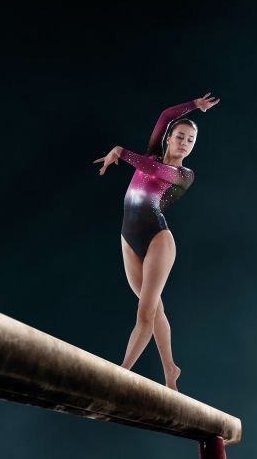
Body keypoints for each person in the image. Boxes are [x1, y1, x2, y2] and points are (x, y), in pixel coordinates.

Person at [93, 92, 220, 391]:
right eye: (180, 135)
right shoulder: (151, 154)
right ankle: (170, 370)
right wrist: (194, 106)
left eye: (191, 139)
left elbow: (151, 170)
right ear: (168, 138)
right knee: (154, 308)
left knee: (146, 312)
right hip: (128, 238)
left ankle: (121, 372)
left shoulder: (184, 175)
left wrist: (120, 150)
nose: (185, 141)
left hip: (158, 240)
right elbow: (165, 116)